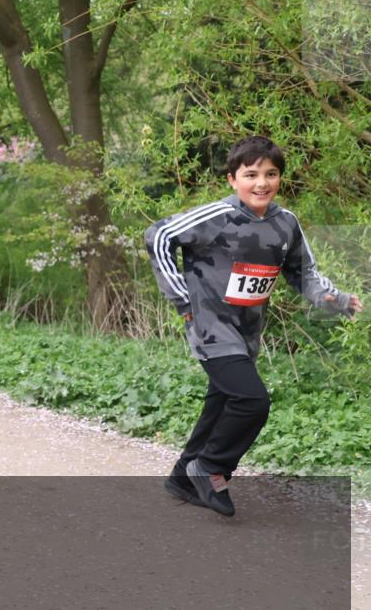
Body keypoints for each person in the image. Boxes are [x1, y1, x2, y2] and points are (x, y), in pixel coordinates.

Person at [145, 135, 363, 517]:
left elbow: (303, 272)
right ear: (233, 179)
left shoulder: (285, 224)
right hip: (209, 327)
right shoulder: (216, 216)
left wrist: (334, 299)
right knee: (252, 401)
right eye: (251, 174)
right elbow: (158, 235)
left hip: (247, 331)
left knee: (223, 401)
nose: (262, 183)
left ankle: (182, 477)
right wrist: (183, 298)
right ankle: (211, 467)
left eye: (271, 174)